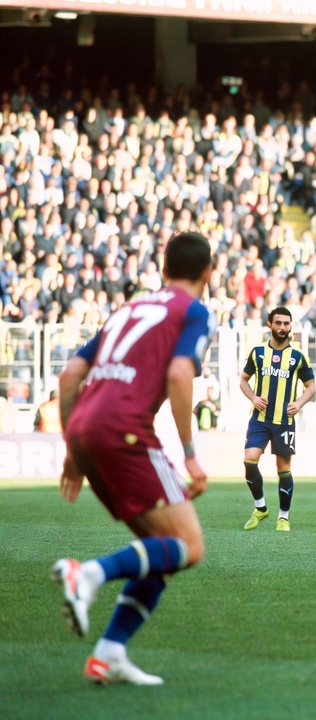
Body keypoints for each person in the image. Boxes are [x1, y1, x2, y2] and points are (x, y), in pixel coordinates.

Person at [51, 231, 217, 685]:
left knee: (161, 551)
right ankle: (88, 574)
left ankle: (109, 653)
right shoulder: (194, 311)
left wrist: (73, 450)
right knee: (190, 546)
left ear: (163, 270)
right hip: (125, 429)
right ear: (208, 272)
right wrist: (190, 455)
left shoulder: (128, 309)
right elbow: (181, 373)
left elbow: (71, 376)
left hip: (86, 427)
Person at [239, 307, 316, 532]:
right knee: (249, 460)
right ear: (270, 325)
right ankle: (261, 508)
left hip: (284, 420)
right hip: (259, 419)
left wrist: (299, 403)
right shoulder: (258, 353)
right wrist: (253, 397)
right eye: (279, 323)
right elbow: (243, 380)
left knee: (283, 468)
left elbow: (311, 387)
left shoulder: (298, 356)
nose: (283, 327)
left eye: (286, 323)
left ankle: (283, 517)